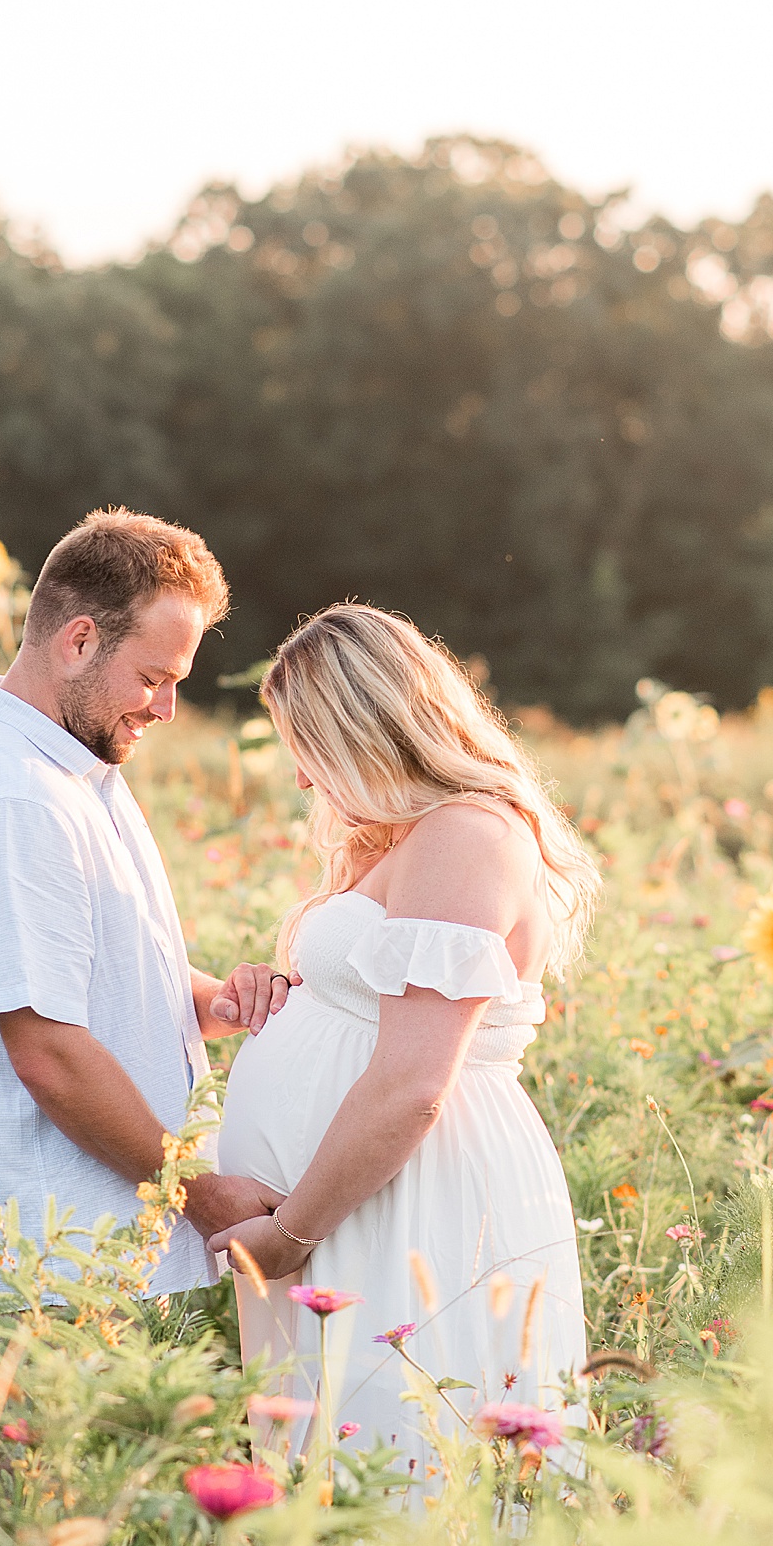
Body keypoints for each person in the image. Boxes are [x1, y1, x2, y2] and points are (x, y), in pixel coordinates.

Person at [210, 604, 601, 1470]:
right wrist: (284, 994)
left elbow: (415, 1082)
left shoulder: (468, 834)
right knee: (331, 1464)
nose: (305, 783)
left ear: (361, 730)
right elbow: (373, 1012)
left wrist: (294, 1233)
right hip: (348, 1196)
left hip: (403, 1199)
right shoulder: (411, 840)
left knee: (399, 1452)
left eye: (306, 750)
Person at [0, 507, 289, 1294]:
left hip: (84, 1264)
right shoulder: (13, 799)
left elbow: (88, 978)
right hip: (38, 1275)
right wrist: (200, 1197)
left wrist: (219, 1003)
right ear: (78, 641)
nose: (166, 710)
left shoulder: (72, 769)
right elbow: (49, 1053)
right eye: (153, 679)